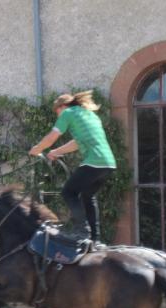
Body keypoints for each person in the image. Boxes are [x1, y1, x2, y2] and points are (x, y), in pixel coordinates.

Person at [29, 90, 116, 243]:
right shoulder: (89, 115)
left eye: (57, 112)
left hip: (93, 161)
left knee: (68, 192)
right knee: (87, 196)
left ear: (61, 107)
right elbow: (76, 143)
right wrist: (56, 151)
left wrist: (37, 149)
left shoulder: (67, 113)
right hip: (108, 163)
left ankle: (82, 232)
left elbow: (52, 137)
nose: (58, 116)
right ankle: (95, 239)